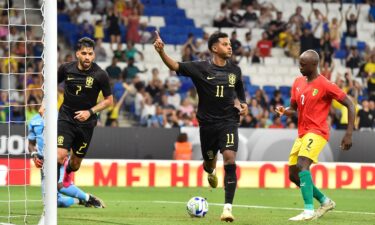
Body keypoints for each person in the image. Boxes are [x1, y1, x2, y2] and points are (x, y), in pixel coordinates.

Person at [154, 31, 248, 222]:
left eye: (229, 44)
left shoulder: (235, 70)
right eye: (224, 44)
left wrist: (243, 104)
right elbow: (175, 66)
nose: (229, 46)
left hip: (228, 121)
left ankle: (227, 209)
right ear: (214, 48)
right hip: (207, 125)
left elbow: (239, 88)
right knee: (209, 163)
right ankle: (211, 171)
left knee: (229, 160)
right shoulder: (200, 68)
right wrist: (161, 52)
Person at [275, 50, 355, 221]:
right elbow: (294, 109)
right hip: (302, 133)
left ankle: (308, 211)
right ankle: (325, 201)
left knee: (303, 165)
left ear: (314, 65)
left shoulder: (325, 85)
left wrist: (349, 133)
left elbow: (350, 105)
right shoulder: (297, 82)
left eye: (303, 64)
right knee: (293, 174)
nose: (300, 67)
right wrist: (284, 111)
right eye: (299, 63)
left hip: (318, 131)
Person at [57, 37, 113, 189]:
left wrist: (89, 112)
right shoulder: (66, 68)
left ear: (94, 55)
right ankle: (54, 190)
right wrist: (44, 104)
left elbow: (109, 101)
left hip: (86, 123)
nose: (87, 57)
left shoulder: (100, 74)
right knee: (59, 156)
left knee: (75, 164)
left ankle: (68, 170)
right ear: (77, 54)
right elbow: (49, 84)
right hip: (66, 117)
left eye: (90, 54)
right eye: (84, 53)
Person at [28, 106, 105, 208]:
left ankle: (88, 198)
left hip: (59, 157)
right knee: (53, 202)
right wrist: (34, 154)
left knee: (61, 186)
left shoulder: (61, 117)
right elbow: (31, 143)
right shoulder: (33, 121)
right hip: (44, 162)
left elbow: (70, 135)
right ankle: (79, 200)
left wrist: (67, 152)